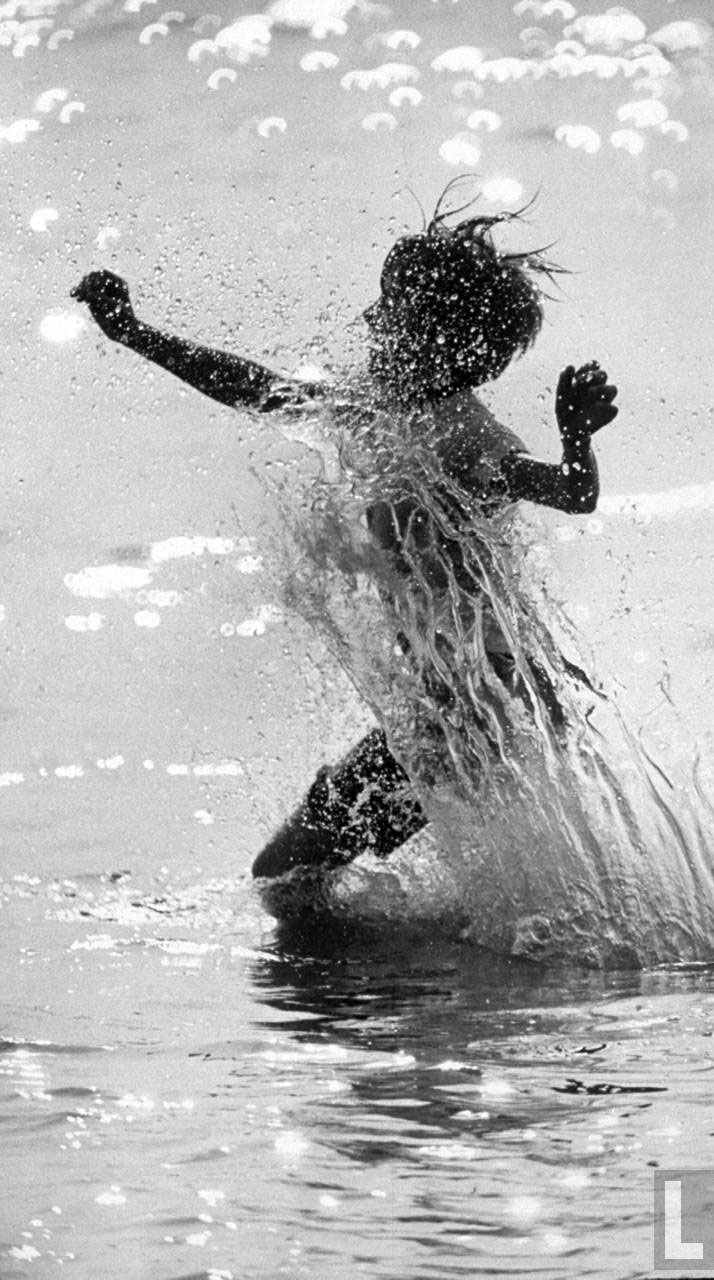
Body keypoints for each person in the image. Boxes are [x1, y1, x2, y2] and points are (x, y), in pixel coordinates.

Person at [71, 195, 618, 883]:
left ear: (434, 336)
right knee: (308, 876)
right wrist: (135, 334)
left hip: (483, 706)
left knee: (287, 877)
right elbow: (256, 388)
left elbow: (570, 493)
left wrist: (575, 442)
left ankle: (434, 972)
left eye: (387, 309)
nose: (369, 319)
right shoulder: (375, 413)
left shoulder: (466, 436)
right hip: (458, 708)